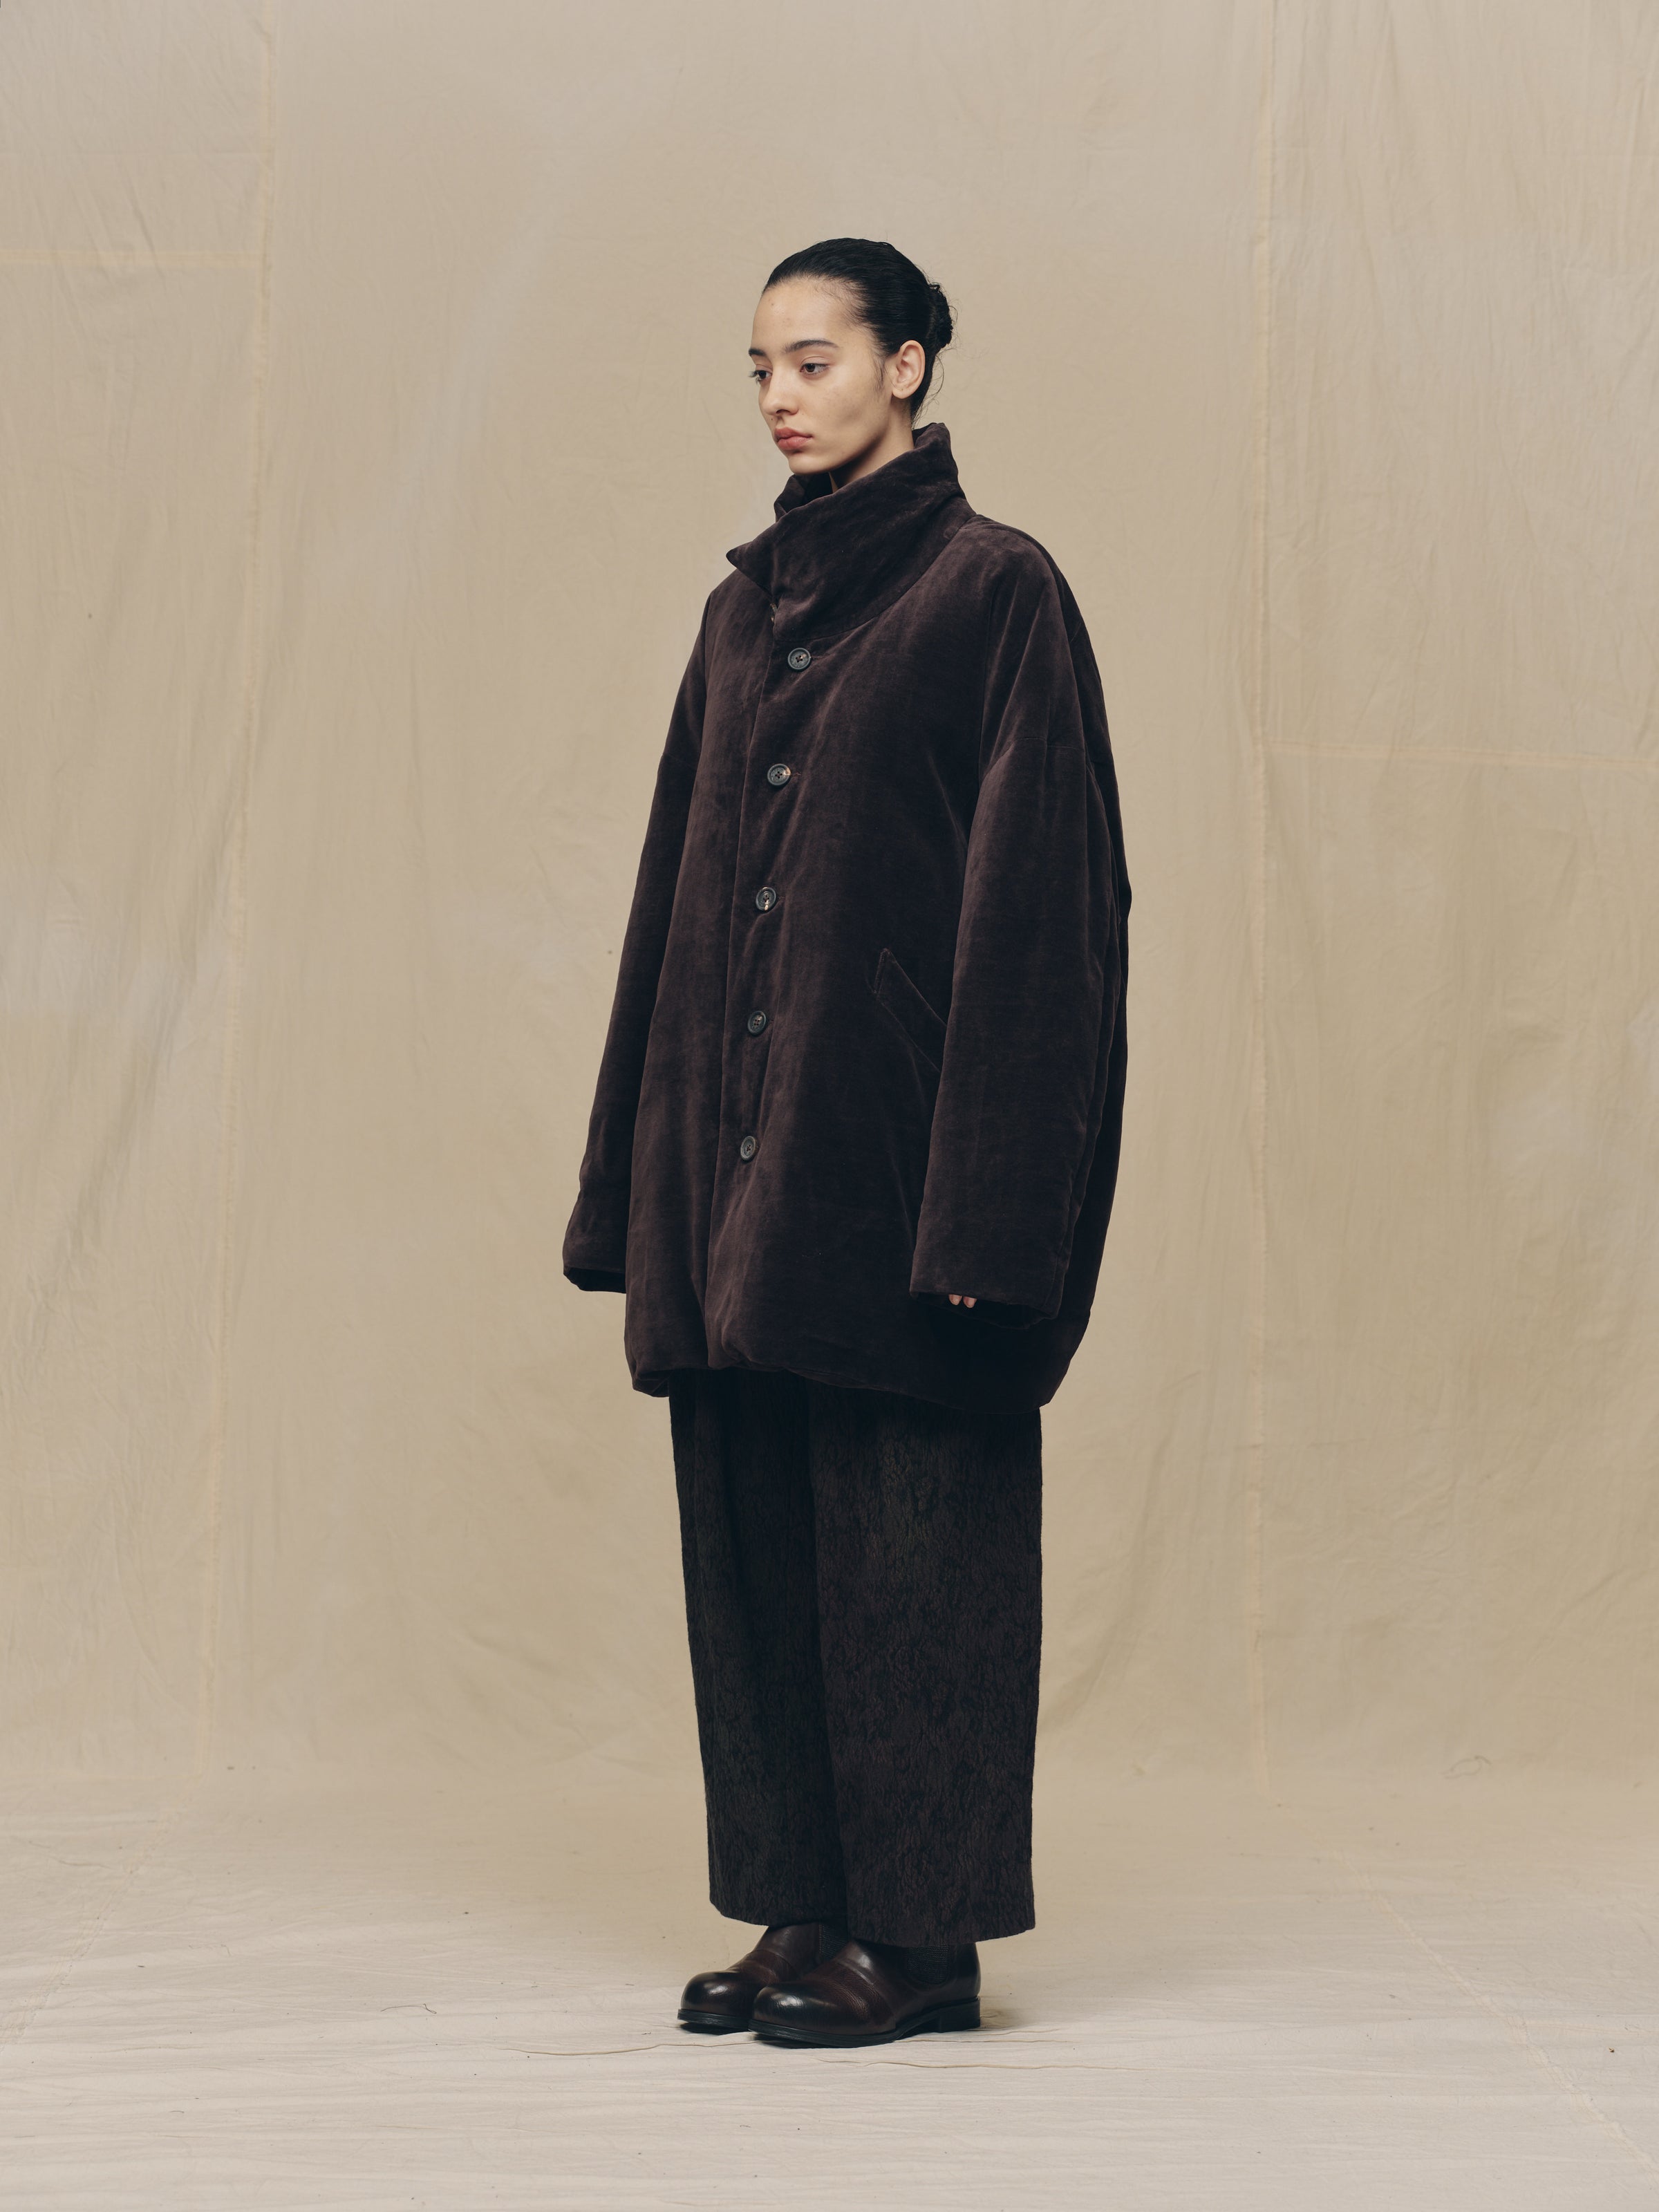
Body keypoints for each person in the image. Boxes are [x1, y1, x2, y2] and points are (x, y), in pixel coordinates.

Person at [562, 238, 1130, 2047]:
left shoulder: (994, 594)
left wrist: (995, 1218)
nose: (781, 396)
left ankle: (922, 1940)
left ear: (909, 365)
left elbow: (1046, 918)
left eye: (813, 359)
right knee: (758, 1557)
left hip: (894, 1183)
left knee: (912, 1561)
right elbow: (672, 908)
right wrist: (634, 1195)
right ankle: (806, 1908)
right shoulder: (739, 617)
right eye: (759, 368)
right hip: (731, 1181)